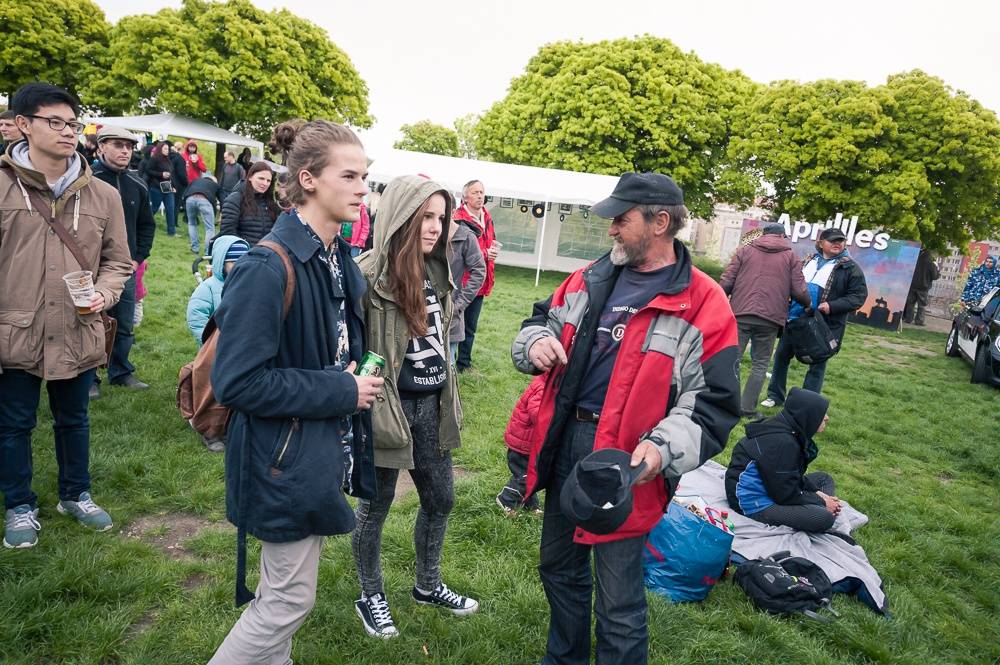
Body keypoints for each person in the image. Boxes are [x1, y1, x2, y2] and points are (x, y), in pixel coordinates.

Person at [511, 172, 739, 664]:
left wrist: (662, 448)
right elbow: (538, 320)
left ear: (660, 222)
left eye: (622, 219)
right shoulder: (590, 276)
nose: (611, 229)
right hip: (566, 442)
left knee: (619, 599)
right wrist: (535, 342)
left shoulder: (704, 302)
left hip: (630, 462)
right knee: (558, 568)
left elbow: (714, 401)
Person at [207, 119, 381, 663]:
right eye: (349, 176)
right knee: (285, 602)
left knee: (282, 595)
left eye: (366, 176)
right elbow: (236, 381)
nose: (362, 188)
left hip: (315, 450)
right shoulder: (266, 264)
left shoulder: (337, 257)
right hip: (280, 457)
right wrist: (340, 390)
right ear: (307, 179)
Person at [0, 82, 132, 549]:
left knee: (74, 419)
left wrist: (105, 292)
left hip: (78, 328)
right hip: (14, 330)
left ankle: (76, 494)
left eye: (72, 124)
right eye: (54, 122)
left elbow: (119, 262)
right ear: (23, 124)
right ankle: (19, 504)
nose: (66, 132)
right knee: (14, 422)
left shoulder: (103, 196)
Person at [352, 175, 478, 639]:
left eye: (441, 219)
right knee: (375, 509)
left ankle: (427, 586)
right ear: (401, 217)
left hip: (433, 407)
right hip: (387, 409)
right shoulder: (365, 276)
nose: (436, 227)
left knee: (441, 499)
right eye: (426, 216)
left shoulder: (438, 271)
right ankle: (371, 595)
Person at [763, 227, 868, 406]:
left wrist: (831, 306)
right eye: (832, 240)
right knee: (781, 357)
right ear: (820, 243)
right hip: (795, 319)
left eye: (840, 240)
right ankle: (775, 396)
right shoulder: (808, 260)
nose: (837, 243)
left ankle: (806, 405)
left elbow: (858, 296)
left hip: (824, 324)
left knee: (817, 364)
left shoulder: (850, 267)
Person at [90, 125, 157, 398]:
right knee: (91, 323)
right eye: (118, 145)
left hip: (125, 269)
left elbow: (147, 226)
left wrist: (137, 258)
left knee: (125, 324)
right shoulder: (88, 180)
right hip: (90, 268)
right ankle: (90, 377)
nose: (125, 151)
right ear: (101, 147)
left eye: (129, 146)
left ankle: (120, 371)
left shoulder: (138, 184)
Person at [719, 223, 810, 419]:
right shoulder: (791, 256)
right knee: (760, 364)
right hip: (770, 318)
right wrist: (807, 303)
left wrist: (718, 300)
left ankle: (722, 403)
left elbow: (727, 280)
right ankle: (747, 408)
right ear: (783, 236)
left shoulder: (744, 251)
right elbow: (799, 290)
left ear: (763, 234)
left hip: (740, 313)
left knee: (730, 359)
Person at [725, 388, 841, 532]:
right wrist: (821, 501)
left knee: (823, 479)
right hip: (752, 503)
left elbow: (789, 477)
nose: (826, 418)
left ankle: (823, 508)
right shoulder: (783, 443)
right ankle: (824, 510)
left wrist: (817, 493)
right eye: (822, 413)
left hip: (773, 489)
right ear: (807, 414)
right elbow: (784, 495)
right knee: (824, 518)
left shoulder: (787, 429)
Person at [185, 235, 249, 453]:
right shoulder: (209, 288)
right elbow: (196, 318)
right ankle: (210, 429)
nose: (240, 266)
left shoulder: (248, 285)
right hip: (214, 351)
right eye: (234, 262)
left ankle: (232, 425)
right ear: (222, 262)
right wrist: (207, 343)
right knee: (212, 390)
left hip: (241, 348)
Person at [454, 179, 497, 372]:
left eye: (482, 192)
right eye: (475, 192)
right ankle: (447, 360)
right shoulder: (458, 218)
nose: (480, 196)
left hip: (481, 281)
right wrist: (486, 253)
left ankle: (464, 363)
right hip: (463, 281)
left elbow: (491, 241)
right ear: (465, 197)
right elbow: (460, 250)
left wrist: (492, 250)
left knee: (471, 326)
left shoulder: (487, 216)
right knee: (456, 323)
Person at [496, 375, 545, 516]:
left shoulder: (544, 381)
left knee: (530, 475)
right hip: (522, 445)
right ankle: (505, 499)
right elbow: (537, 412)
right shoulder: (543, 387)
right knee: (528, 476)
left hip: (527, 443)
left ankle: (530, 504)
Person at [446, 209, 486, 362]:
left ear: (452, 211)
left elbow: (479, 271)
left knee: (447, 367)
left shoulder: (466, 236)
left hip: (450, 316)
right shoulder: (427, 234)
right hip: (422, 315)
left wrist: (458, 305)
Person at [219, 161, 280, 246]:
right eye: (261, 178)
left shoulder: (270, 203)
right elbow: (228, 232)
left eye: (268, 180)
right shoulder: (235, 199)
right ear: (250, 177)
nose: (265, 183)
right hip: (242, 254)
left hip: (267, 253)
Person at [142, 141, 181, 236]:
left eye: (168, 149)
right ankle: (143, 225)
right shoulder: (154, 158)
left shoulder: (168, 160)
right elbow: (148, 170)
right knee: (154, 208)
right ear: (160, 149)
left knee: (170, 209)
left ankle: (171, 232)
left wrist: (173, 187)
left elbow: (171, 175)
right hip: (156, 188)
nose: (167, 151)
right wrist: (161, 174)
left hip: (168, 188)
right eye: (165, 149)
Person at [184, 173, 221, 254]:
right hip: (204, 200)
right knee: (210, 228)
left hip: (189, 199)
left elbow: (186, 192)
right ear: (214, 181)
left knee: (192, 224)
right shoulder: (215, 185)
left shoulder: (196, 180)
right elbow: (222, 200)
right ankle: (208, 251)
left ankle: (195, 248)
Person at [903, 248, 940, 326]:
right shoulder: (930, 263)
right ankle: (919, 321)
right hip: (923, 287)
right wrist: (937, 270)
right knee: (922, 305)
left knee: (910, 303)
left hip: (912, 285)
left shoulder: (915, 260)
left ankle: (908, 319)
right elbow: (935, 276)